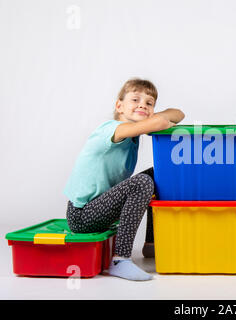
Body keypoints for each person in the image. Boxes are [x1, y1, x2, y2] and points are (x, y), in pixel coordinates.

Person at [64, 78, 185, 280]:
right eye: (135, 99)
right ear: (119, 106)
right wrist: (154, 118)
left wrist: (154, 117)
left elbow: (178, 114)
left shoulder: (133, 135)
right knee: (142, 183)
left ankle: (151, 244)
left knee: (160, 173)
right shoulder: (111, 129)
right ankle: (120, 260)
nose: (142, 105)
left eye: (149, 103)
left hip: (103, 207)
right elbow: (162, 122)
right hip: (82, 216)